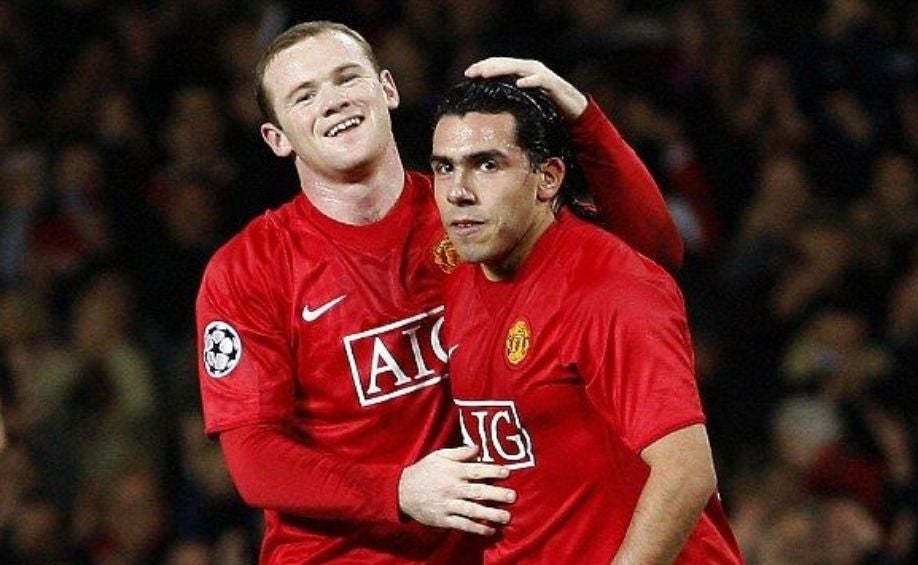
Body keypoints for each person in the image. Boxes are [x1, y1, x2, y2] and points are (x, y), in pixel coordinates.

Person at [195, 21, 683, 564]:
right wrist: (398, 490)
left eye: (346, 78)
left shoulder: (472, 211)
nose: (332, 101)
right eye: (304, 95)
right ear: (277, 138)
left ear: (388, 89)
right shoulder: (249, 269)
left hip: (494, 548)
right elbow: (255, 460)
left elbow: (650, 255)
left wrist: (582, 117)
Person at [431, 77, 743, 564]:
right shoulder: (458, 270)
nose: (458, 191)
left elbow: (686, 472)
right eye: (444, 167)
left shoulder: (608, 288)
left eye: (487, 165)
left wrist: (586, 118)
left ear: (548, 178)